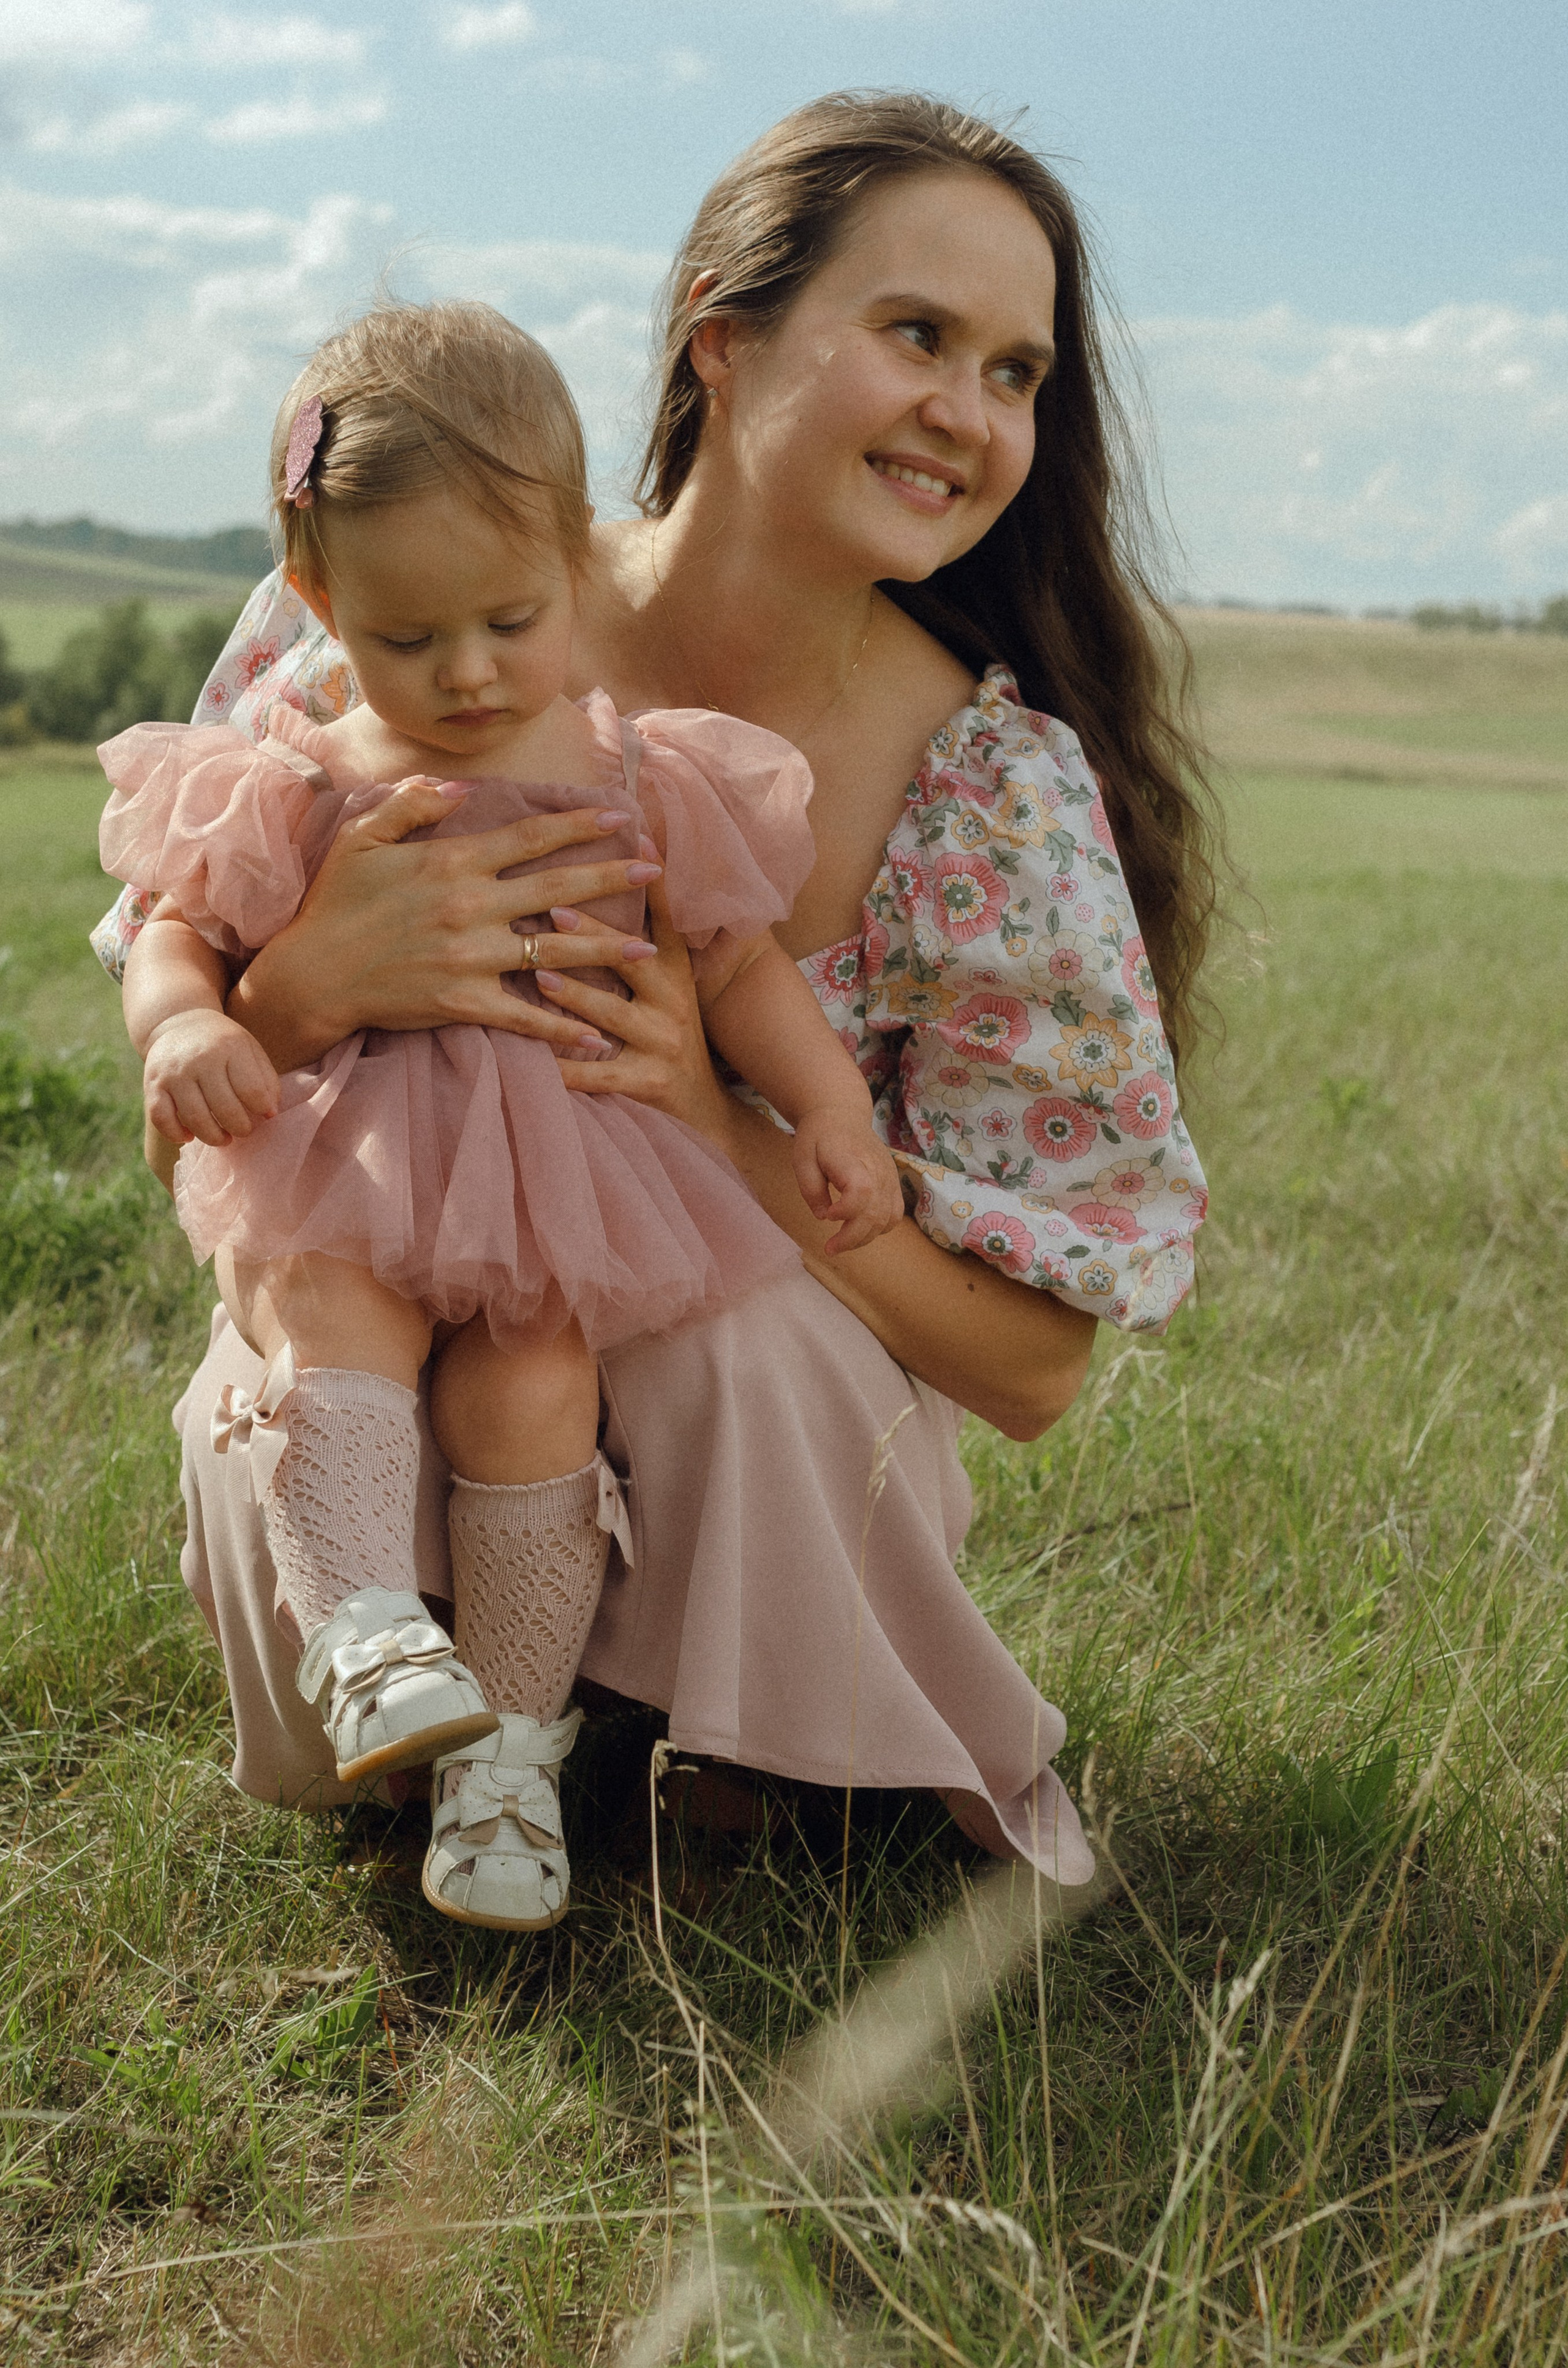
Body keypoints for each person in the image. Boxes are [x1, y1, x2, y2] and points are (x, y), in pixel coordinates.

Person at [93, 91, 1215, 1904]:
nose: (969, 410)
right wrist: (301, 990)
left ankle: (729, 1718)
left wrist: (718, 1120)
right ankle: (416, 1686)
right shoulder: (406, 585)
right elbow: (207, 1123)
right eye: (917, 333)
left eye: (1017, 372)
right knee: (315, 1351)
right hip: (400, 1272)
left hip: (715, 1344)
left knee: (739, 1343)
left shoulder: (991, 790)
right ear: (723, 330)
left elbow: (1032, 1370)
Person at [99, 300, 902, 1932]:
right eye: (410, 640)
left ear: (576, 563)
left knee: (535, 1390)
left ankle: (508, 1763)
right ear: (321, 603)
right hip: (356, 1159)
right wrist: (185, 1019)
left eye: (512, 618)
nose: (468, 672)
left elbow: (740, 969)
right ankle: (366, 1634)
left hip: (568, 1179)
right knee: (335, 1322)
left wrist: (829, 1107)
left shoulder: (636, 772)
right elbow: (184, 925)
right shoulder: (293, 769)